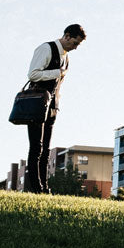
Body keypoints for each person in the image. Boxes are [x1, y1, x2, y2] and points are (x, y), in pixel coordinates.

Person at [23, 24, 86, 193]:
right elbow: (33, 74)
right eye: (74, 43)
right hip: (37, 103)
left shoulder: (66, 58)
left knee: (46, 150)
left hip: (52, 106)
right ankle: (35, 188)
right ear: (66, 36)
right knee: (36, 147)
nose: (75, 47)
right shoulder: (46, 48)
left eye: (78, 45)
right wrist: (56, 73)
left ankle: (44, 188)